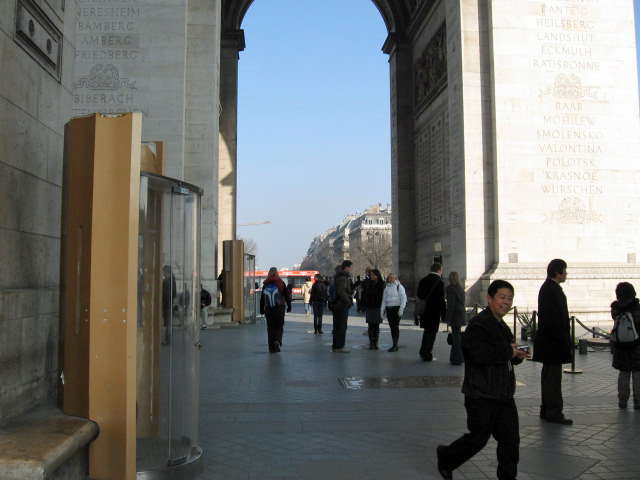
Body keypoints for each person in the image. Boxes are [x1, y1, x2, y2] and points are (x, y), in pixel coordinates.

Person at [436, 280, 530, 480]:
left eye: (510, 298)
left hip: (504, 396)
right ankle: (446, 457)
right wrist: (508, 351)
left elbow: (503, 356)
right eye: (502, 297)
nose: (506, 302)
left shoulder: (501, 325)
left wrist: (516, 355)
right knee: (477, 440)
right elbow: (478, 354)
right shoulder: (479, 324)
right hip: (481, 395)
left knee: (510, 442)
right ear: (489, 299)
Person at [532, 259, 573, 425]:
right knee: (553, 379)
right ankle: (554, 411)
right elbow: (553, 318)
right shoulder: (551, 289)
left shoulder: (549, 287)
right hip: (553, 343)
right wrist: (562, 339)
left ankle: (547, 409)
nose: (566, 274)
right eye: (565, 270)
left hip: (550, 342)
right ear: (558, 272)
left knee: (549, 376)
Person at [610, 282, 640, 409]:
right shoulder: (637, 308)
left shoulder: (616, 308)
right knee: (638, 372)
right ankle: (638, 400)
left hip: (621, 345)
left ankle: (623, 399)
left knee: (624, 373)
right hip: (637, 346)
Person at [416, 263, 446, 361]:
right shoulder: (440, 283)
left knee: (426, 331)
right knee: (432, 333)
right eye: (441, 270)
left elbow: (419, 295)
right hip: (434, 311)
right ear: (438, 270)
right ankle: (427, 354)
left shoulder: (423, 281)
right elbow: (441, 300)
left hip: (424, 310)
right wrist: (444, 314)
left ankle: (422, 351)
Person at [259, 267, 292, 353]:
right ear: (277, 273)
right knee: (279, 326)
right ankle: (277, 341)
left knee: (270, 328)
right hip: (279, 307)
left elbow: (262, 298)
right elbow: (287, 295)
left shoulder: (265, 284)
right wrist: (289, 306)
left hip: (268, 309)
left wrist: (261, 309)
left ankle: (271, 347)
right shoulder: (281, 283)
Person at [331, 260, 353, 352]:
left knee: (337, 325)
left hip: (337, 304)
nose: (351, 269)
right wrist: (348, 301)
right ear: (346, 267)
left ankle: (336, 345)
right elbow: (341, 291)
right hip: (341, 304)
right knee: (341, 326)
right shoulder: (343, 278)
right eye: (351, 267)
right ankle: (340, 346)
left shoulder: (338, 276)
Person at [381, 273, 407, 352]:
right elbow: (384, 300)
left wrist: (401, 309)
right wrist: (382, 310)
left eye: (393, 278)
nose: (391, 279)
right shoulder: (386, 288)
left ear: (395, 279)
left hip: (396, 308)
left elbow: (403, 298)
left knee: (395, 326)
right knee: (392, 326)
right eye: (389, 278)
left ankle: (395, 345)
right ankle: (394, 344)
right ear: (388, 279)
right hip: (389, 309)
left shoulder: (399, 287)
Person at [445, 272, 466, 365]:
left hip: (455, 314)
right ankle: (454, 358)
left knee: (456, 337)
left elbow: (450, 304)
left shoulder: (450, 289)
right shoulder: (461, 289)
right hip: (461, 313)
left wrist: (447, 317)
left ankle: (458, 358)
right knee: (456, 336)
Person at [362, 269, 385, 349]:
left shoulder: (381, 284)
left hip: (377, 307)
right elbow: (364, 294)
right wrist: (363, 304)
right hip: (369, 306)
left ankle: (376, 343)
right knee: (370, 325)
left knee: (376, 325)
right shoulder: (368, 283)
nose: (372, 276)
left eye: (373, 274)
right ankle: (371, 343)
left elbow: (383, 296)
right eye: (371, 274)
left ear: (377, 275)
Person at [162, 265, 176, 346]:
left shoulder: (170, 281)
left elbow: (172, 293)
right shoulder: (167, 280)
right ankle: (167, 339)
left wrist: (166, 299)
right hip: (167, 303)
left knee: (168, 323)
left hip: (168, 303)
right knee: (167, 322)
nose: (163, 273)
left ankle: (167, 339)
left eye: (164, 272)